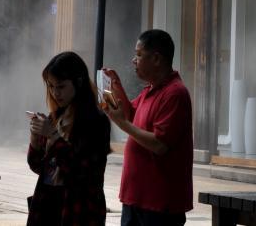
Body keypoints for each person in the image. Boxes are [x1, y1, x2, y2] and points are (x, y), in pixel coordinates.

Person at [103, 29, 193, 226]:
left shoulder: (175, 93)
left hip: (159, 202)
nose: (134, 60)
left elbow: (160, 144)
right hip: (136, 197)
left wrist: (123, 125)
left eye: (138, 55)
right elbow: (132, 115)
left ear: (156, 59)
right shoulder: (150, 90)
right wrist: (116, 85)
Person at [27, 51, 111, 226]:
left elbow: (82, 171)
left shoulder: (96, 121)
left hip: (78, 209)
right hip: (48, 204)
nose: (55, 93)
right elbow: (39, 168)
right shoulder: (55, 116)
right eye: (51, 86)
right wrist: (35, 140)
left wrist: (53, 136)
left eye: (61, 86)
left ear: (78, 82)